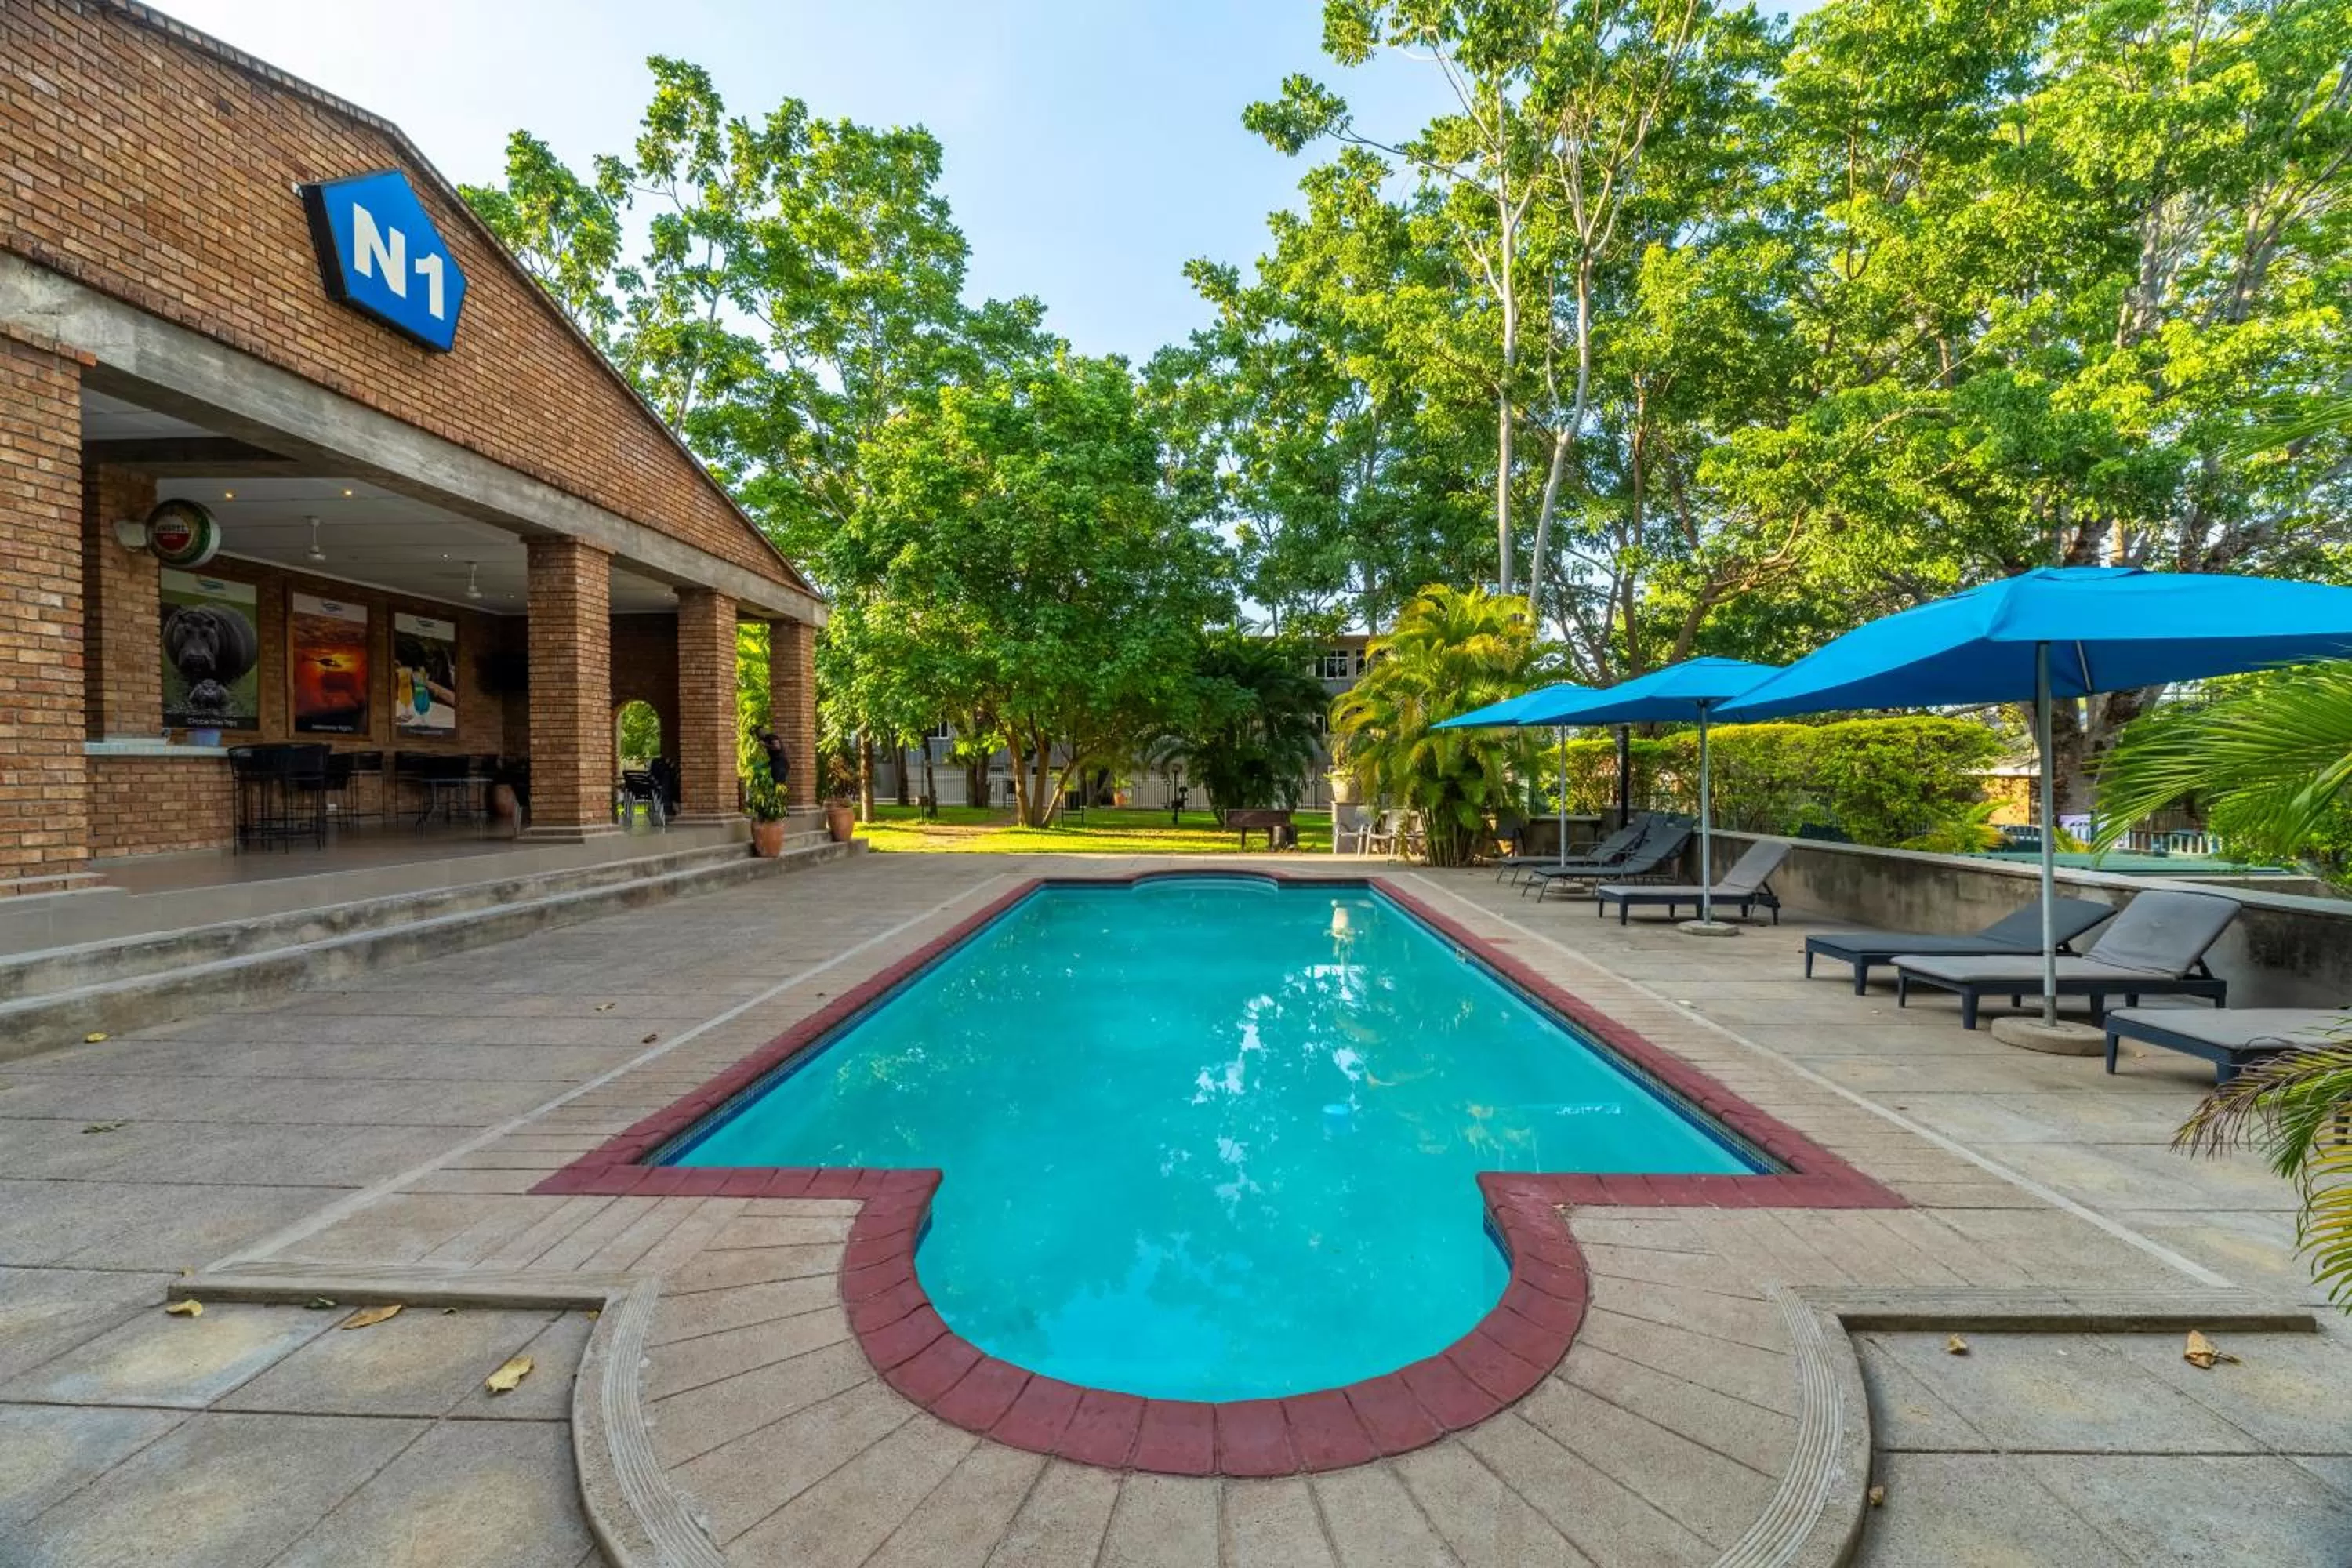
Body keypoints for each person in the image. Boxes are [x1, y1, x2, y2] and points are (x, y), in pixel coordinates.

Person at [757, 728, 790, 795]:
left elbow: (777, 747)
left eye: (761, 731)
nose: (760, 733)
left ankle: (780, 798)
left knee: (779, 785)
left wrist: (765, 745)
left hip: (780, 763)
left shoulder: (771, 737)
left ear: (765, 731)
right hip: (775, 763)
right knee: (776, 784)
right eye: (758, 733)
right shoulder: (764, 739)